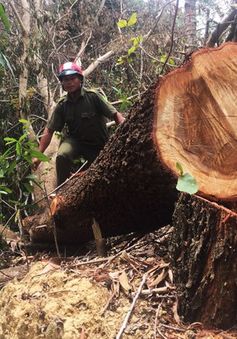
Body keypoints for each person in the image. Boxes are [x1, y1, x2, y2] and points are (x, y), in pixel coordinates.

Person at [32, 62, 125, 186]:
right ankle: (60, 188)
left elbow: (115, 115)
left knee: (101, 178)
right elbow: (49, 130)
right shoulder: (62, 105)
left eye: (72, 78)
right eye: (65, 80)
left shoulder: (93, 96)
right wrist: (38, 156)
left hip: (98, 145)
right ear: (62, 83)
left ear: (80, 79)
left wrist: (125, 132)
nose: (69, 82)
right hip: (76, 142)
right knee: (62, 155)